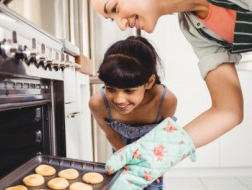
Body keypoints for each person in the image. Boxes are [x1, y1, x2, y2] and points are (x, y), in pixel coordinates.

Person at [91, 0, 251, 189]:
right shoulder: (195, 30)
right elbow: (228, 110)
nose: (121, 24)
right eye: (111, 20)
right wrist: (157, 154)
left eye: (115, 8)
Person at [89, 35, 177, 190]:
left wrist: (154, 165)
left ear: (149, 82)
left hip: (152, 157)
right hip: (122, 153)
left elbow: (164, 136)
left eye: (129, 90)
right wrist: (128, 161)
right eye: (111, 88)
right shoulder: (98, 104)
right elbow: (112, 135)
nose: (119, 99)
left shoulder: (166, 101)